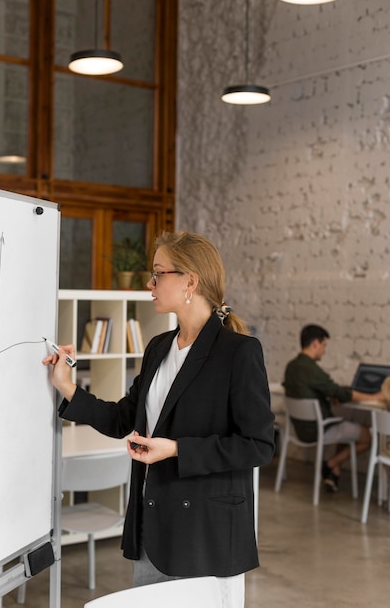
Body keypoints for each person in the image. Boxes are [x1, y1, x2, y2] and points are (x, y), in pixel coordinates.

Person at [43, 230, 275, 608]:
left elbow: (259, 445)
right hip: (153, 525)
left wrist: (177, 450)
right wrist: (67, 386)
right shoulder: (158, 348)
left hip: (206, 535)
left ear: (190, 281)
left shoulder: (239, 352)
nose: (150, 284)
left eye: (158, 274)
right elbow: (123, 418)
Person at [283, 324, 385, 493]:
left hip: (300, 429)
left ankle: (333, 472)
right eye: (324, 346)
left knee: (345, 427)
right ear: (315, 343)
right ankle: (331, 464)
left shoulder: (291, 367)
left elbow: (304, 390)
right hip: (319, 430)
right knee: (368, 435)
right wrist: (375, 397)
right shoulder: (311, 369)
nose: (324, 351)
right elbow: (341, 393)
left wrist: (327, 396)